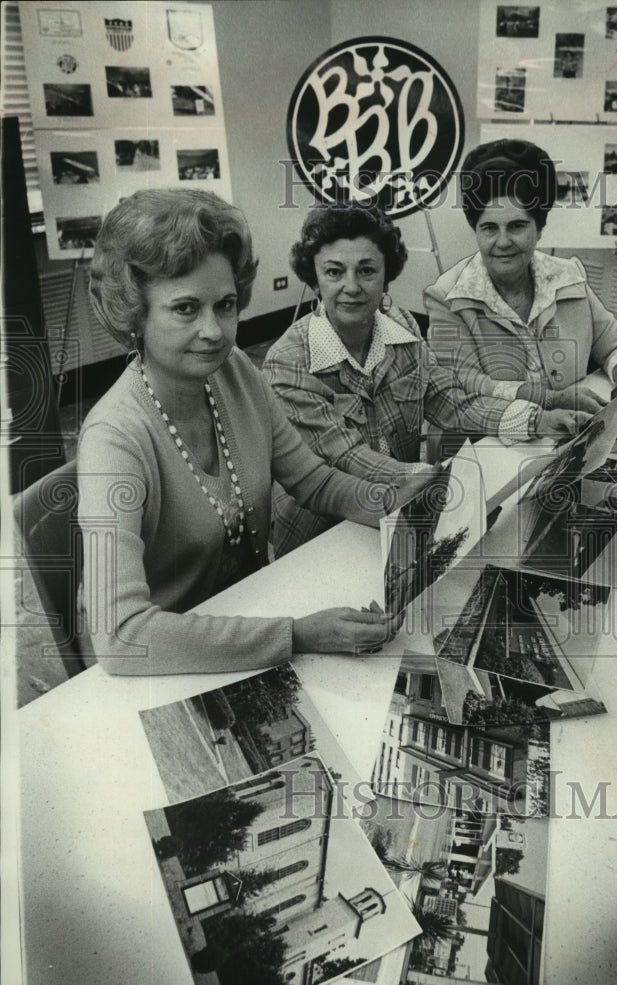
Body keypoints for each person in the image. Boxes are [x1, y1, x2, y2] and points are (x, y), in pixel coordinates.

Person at [79, 188, 409, 676]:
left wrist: (401, 502)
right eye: (186, 309)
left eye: (226, 305)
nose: (214, 331)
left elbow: (313, 481)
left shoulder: (233, 370)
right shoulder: (114, 438)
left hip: (248, 621)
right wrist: (296, 634)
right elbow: (122, 636)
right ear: (135, 315)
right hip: (162, 661)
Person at [263, 202, 586, 555]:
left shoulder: (403, 325)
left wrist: (537, 419)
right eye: (334, 272)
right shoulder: (289, 361)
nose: (351, 286)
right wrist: (435, 482)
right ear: (314, 279)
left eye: (367, 270)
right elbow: (348, 457)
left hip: (402, 518)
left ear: (387, 275)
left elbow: (449, 401)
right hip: (320, 539)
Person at [424, 138, 617, 416]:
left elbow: (613, 341)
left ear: (539, 229)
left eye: (517, 226)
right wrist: (550, 399)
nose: (502, 242)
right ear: (475, 230)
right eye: (489, 228)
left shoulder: (567, 276)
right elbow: (462, 385)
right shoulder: (447, 296)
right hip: (484, 442)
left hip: (567, 431)